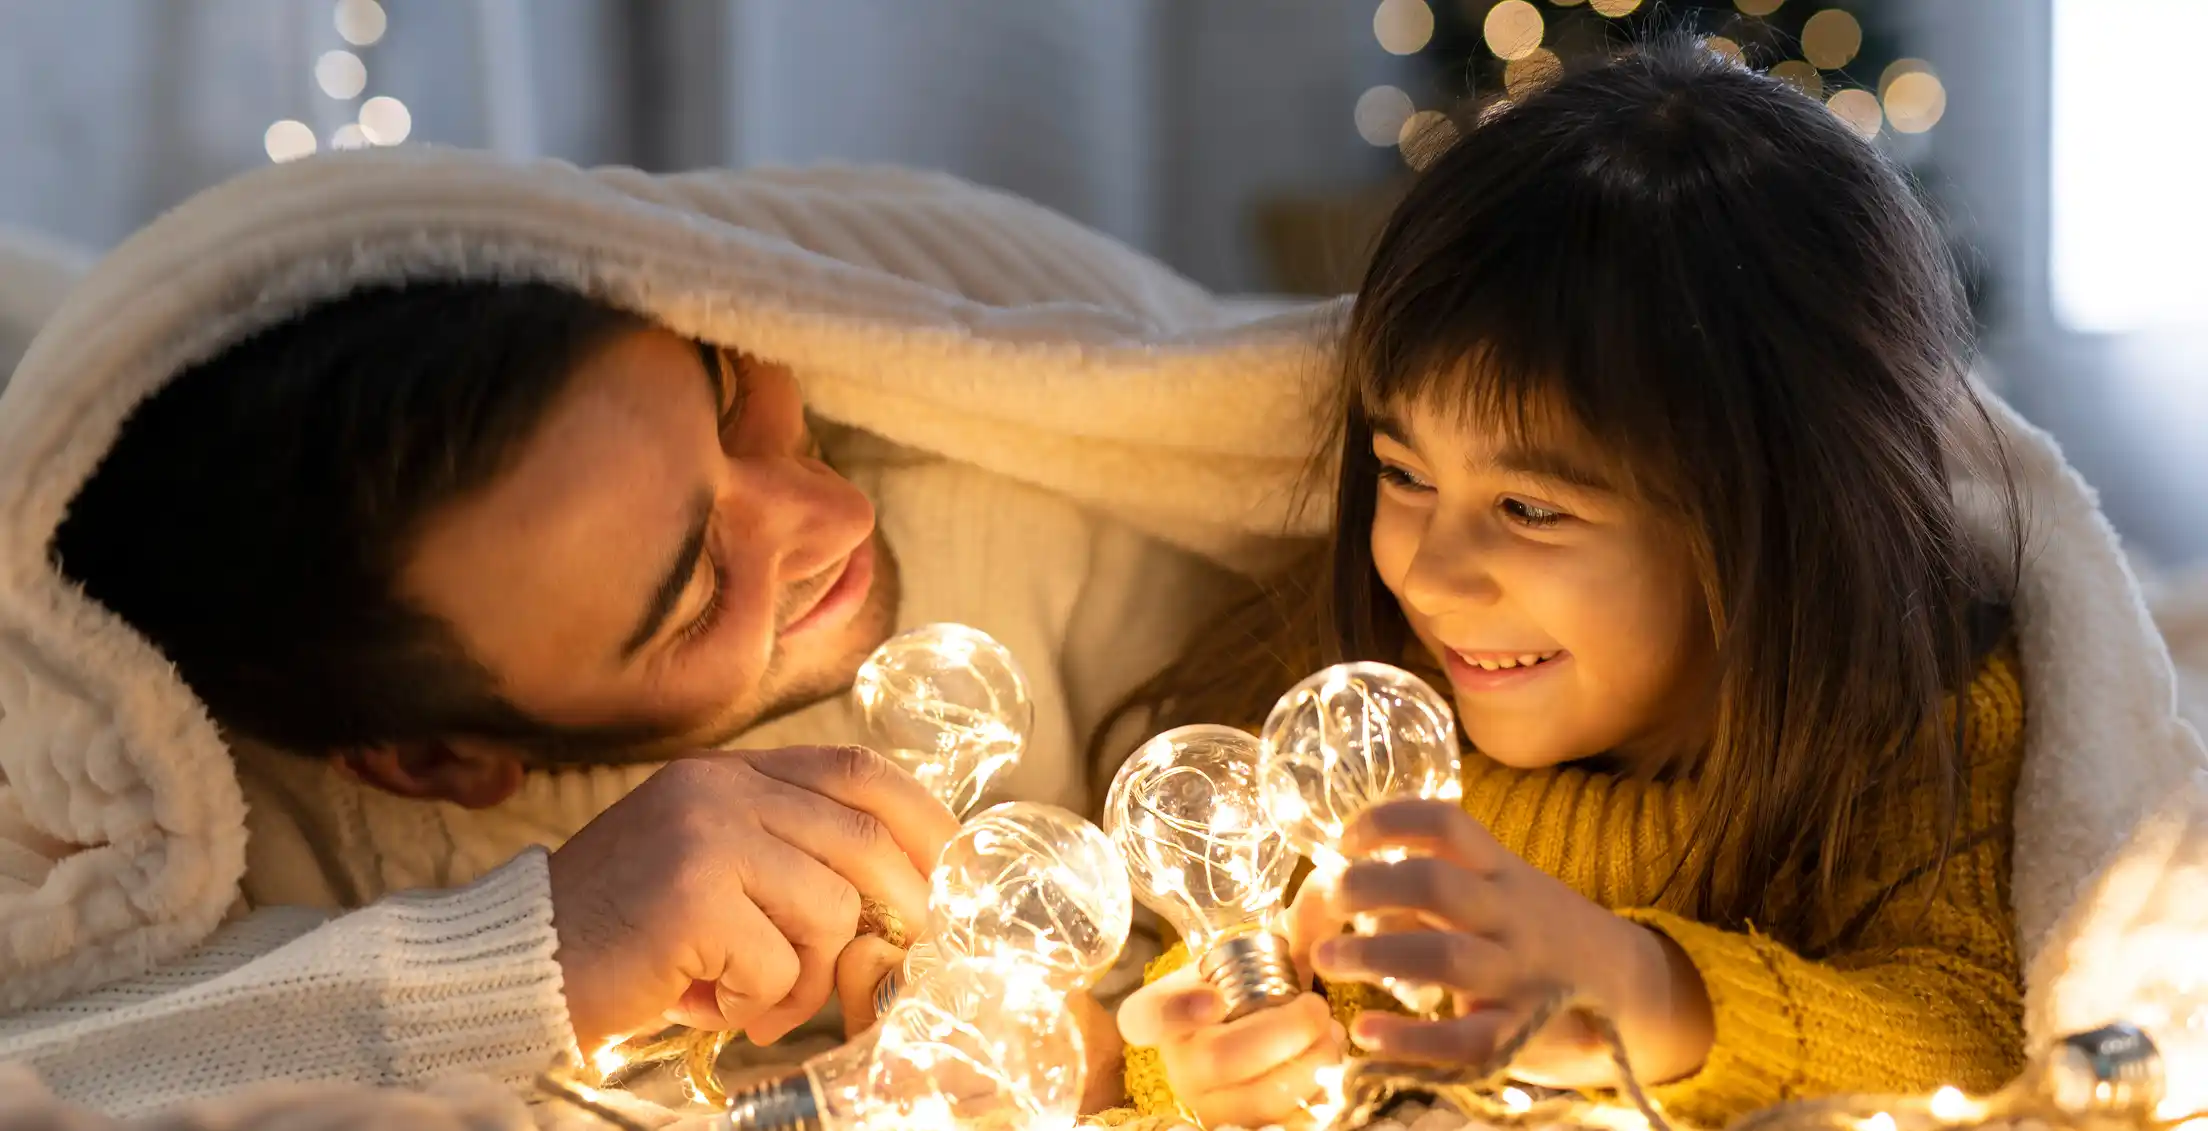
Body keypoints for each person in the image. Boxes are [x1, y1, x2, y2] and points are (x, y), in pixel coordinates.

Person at [0, 156, 1305, 1115]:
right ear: (435, 760)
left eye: (733, 397)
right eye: (694, 591)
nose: (830, 508)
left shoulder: (1024, 517)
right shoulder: (195, 804)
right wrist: (544, 944)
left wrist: (1092, 1035)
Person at [1108, 39, 2067, 1129]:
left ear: (1769, 523)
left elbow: (1979, 1030)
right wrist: (1200, 1066)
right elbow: (1205, 984)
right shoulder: (1346, 720)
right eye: (1405, 474)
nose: (1431, 572)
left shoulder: (1916, 731)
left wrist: (1643, 990)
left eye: (1531, 508)